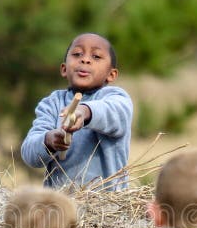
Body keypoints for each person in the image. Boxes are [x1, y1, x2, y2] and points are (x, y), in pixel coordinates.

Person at [21, 32, 133, 190]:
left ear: (111, 74)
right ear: (64, 69)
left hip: (107, 204)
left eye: (96, 56)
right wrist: (48, 141)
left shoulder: (116, 98)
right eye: (77, 54)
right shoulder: (51, 104)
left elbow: (113, 113)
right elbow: (29, 154)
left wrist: (84, 112)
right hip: (61, 207)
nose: (85, 59)